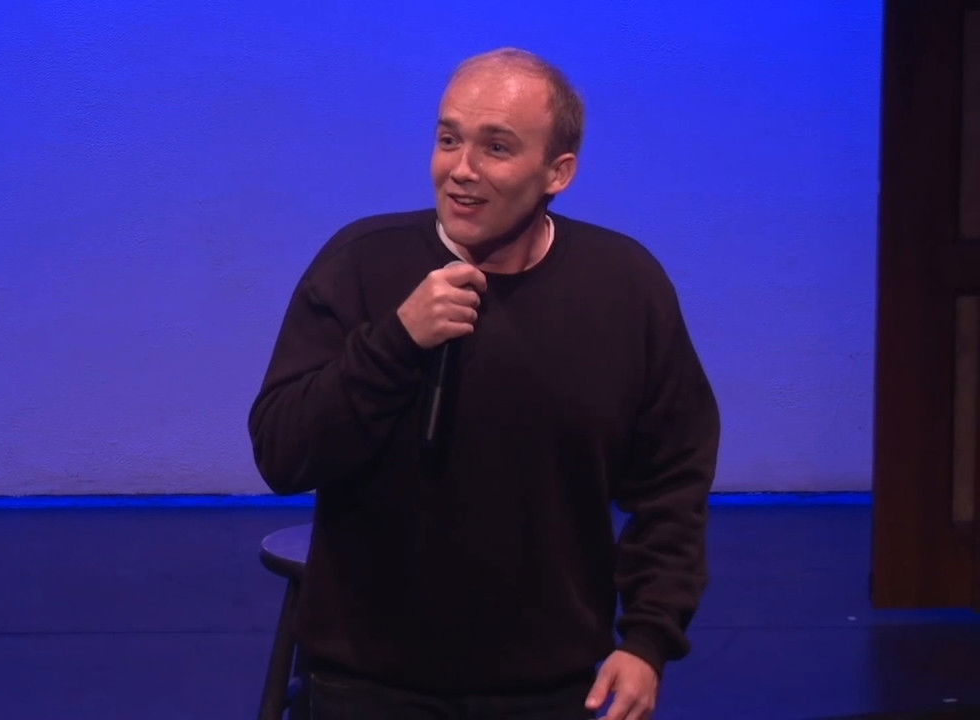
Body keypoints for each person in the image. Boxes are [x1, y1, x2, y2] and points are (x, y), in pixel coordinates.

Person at [249, 48, 719, 720]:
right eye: (449, 140)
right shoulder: (361, 265)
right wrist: (396, 342)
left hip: (551, 687)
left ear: (559, 172)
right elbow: (283, 451)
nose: (461, 170)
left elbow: (674, 482)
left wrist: (649, 640)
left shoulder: (625, 288)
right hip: (366, 684)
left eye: (496, 147)